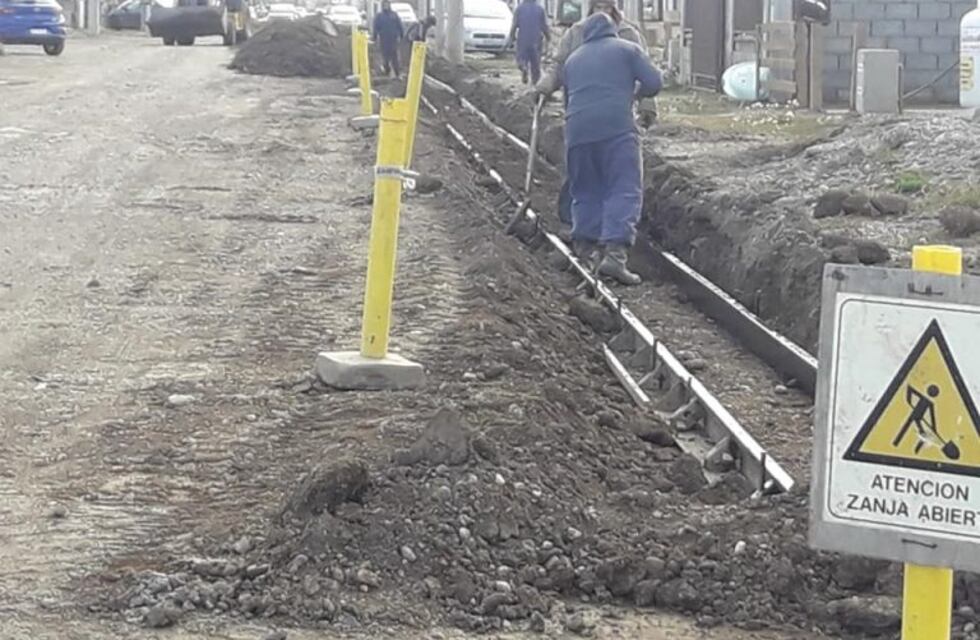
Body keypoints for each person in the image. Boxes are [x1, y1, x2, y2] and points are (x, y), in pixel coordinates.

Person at [560, 11, 661, 285]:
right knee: (623, 188)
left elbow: (567, 100)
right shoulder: (628, 49)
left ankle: (585, 253)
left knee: (585, 189)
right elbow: (654, 82)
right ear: (613, 29)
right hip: (617, 130)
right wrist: (633, 93)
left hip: (577, 132)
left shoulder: (572, 59)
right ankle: (614, 259)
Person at [536, 0, 656, 230]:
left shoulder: (629, 34)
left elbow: (643, 71)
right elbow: (558, 67)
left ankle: (591, 235)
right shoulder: (576, 33)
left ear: (614, 8)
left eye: (606, 6)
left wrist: (647, 106)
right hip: (588, 115)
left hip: (611, 116)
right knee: (585, 177)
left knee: (608, 177)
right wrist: (544, 87)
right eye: (598, 6)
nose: (602, 11)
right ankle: (582, 231)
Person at [509, 0, 550, 85]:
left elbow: (514, 25)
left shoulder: (519, 9)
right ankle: (535, 84)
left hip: (523, 39)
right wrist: (548, 37)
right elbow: (544, 26)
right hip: (536, 39)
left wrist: (512, 38)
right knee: (535, 63)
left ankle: (524, 67)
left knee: (521, 58)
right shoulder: (540, 9)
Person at [372, 0, 404, 78]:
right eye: (384, 5)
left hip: (393, 39)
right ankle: (387, 71)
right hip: (384, 39)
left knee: (394, 56)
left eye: (387, 4)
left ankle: (397, 73)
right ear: (382, 6)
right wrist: (374, 37)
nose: (386, 6)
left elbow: (399, 25)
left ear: (389, 5)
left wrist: (401, 35)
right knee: (385, 56)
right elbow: (376, 27)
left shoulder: (394, 15)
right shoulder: (379, 16)